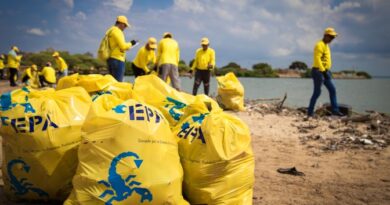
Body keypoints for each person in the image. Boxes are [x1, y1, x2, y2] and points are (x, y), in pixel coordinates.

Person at [308, 27, 343, 117]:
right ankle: (310, 113)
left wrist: (326, 71)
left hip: (326, 72)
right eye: (331, 36)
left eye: (333, 37)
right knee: (317, 92)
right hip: (318, 71)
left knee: (332, 90)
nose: (332, 39)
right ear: (325, 35)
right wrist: (323, 71)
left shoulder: (326, 45)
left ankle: (335, 111)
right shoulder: (319, 45)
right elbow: (318, 59)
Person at [105, 15, 138, 82]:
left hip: (110, 59)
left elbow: (115, 45)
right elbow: (123, 46)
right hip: (118, 60)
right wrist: (132, 43)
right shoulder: (118, 31)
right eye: (125, 25)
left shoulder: (110, 31)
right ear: (121, 24)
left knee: (112, 82)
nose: (125, 27)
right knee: (118, 83)